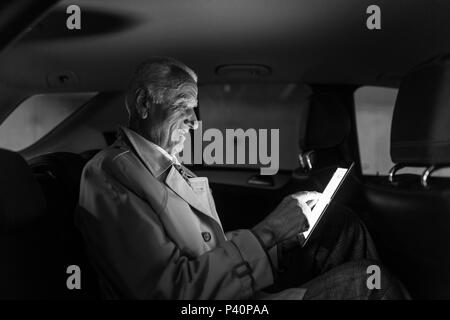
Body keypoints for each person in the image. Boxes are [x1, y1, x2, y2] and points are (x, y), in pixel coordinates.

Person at [76, 57, 409, 299]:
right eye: (184, 106)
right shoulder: (110, 173)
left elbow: (205, 249)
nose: (194, 121)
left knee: (339, 224)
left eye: (196, 108)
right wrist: (268, 232)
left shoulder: (166, 165)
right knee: (369, 282)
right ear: (144, 103)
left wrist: (280, 240)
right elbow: (170, 292)